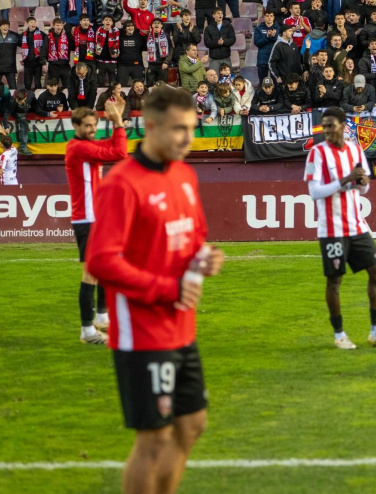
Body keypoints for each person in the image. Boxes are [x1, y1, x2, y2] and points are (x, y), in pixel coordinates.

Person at [85, 86, 223, 494]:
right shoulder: (122, 184)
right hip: (142, 332)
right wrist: (168, 287)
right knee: (154, 438)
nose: (188, 139)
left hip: (182, 327)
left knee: (192, 425)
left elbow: (195, 236)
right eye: (178, 129)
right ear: (150, 125)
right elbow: (101, 261)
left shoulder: (185, 174)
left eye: (192, 129)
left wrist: (204, 257)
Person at [303, 106, 376, 350]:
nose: (326, 130)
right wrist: (345, 180)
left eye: (330, 125)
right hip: (332, 229)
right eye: (324, 126)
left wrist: (362, 183)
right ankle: (339, 335)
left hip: (357, 226)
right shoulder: (316, 154)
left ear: (342, 125)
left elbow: (363, 189)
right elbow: (314, 192)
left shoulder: (356, 149)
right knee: (335, 281)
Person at [65, 104, 128, 345]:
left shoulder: (85, 146)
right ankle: (87, 330)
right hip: (86, 220)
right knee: (91, 274)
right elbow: (120, 153)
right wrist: (119, 122)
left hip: (96, 218)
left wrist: (116, 121)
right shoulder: (78, 148)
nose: (92, 130)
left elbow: (114, 147)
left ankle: (102, 317)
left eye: (94, 125)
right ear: (76, 127)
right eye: (88, 126)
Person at [203, 8, 235, 73]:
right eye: (218, 13)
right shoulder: (208, 28)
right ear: (213, 15)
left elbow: (232, 39)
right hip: (214, 59)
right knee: (214, 79)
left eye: (221, 13)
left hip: (226, 57)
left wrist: (224, 42)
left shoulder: (228, 26)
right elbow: (207, 43)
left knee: (227, 79)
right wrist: (217, 42)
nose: (220, 15)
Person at [20, 17, 46, 92]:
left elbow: (47, 43)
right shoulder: (23, 35)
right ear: (27, 24)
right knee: (27, 84)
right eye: (31, 22)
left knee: (38, 83)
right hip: (28, 63)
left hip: (38, 63)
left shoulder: (41, 34)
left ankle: (39, 100)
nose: (33, 24)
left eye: (34, 22)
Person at [0, 20, 20, 89]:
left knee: (13, 88)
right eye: (3, 25)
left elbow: (25, 44)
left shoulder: (15, 36)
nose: (5, 27)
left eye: (7, 25)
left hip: (10, 67)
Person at [118, 20, 146, 86]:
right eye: (128, 26)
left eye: (132, 26)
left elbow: (146, 47)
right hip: (123, 66)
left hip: (137, 65)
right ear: (124, 28)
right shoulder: (119, 37)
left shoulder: (139, 37)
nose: (130, 28)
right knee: (121, 87)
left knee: (139, 86)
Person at [95, 15, 121, 87]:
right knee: (100, 83)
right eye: (106, 20)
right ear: (102, 22)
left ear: (112, 23)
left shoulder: (117, 31)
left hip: (112, 62)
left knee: (113, 84)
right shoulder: (97, 30)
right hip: (100, 61)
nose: (108, 21)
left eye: (110, 20)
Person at [253, 11, 280, 81]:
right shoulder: (258, 29)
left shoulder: (278, 29)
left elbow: (281, 42)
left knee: (275, 83)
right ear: (264, 17)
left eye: (271, 16)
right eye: (267, 16)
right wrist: (266, 37)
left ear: (274, 17)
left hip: (275, 60)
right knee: (262, 82)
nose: (269, 17)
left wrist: (274, 36)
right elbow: (257, 43)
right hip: (262, 60)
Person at [146, 19, 173, 86]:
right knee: (150, 85)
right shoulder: (148, 36)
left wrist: (166, 62)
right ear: (152, 25)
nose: (156, 24)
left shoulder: (166, 36)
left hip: (162, 64)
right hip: (152, 64)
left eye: (158, 23)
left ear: (161, 25)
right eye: (154, 23)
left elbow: (171, 49)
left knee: (163, 86)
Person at [47, 18, 72, 88]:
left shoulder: (67, 36)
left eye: (61, 25)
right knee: (53, 87)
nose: (59, 27)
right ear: (53, 26)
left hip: (65, 65)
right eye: (57, 25)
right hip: (53, 66)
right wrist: (43, 63)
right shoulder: (48, 37)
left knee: (68, 87)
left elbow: (72, 47)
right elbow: (44, 49)